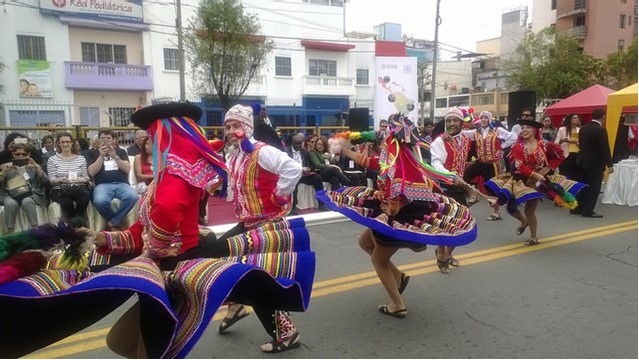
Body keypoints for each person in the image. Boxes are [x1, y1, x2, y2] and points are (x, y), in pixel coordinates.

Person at [0, 102, 315, 359]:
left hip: (173, 272)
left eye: (153, 135)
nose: (148, 141)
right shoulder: (163, 179)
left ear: (167, 136)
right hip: (161, 267)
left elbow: (166, 215)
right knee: (122, 342)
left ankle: (267, 322)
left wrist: (150, 254)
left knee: (142, 347)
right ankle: (238, 307)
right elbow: (138, 232)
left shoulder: (178, 177)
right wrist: (98, 238)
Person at [316, 114, 477, 318]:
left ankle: (397, 304)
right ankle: (399, 278)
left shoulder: (401, 167)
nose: (384, 135)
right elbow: (371, 162)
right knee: (365, 243)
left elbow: (396, 194)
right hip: (389, 210)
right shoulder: (395, 157)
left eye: (387, 131)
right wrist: (344, 150)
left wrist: (388, 212)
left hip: (396, 216)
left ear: (394, 137)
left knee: (378, 260)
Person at [216, 104, 310, 353]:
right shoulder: (235, 155)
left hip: (268, 225)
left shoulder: (262, 151)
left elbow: (293, 169)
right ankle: (235, 304)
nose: (231, 131)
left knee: (257, 281)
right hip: (248, 223)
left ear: (247, 127)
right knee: (217, 254)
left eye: (236, 126)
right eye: (227, 127)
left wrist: (280, 196)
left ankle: (287, 333)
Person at [486, 118, 585, 245]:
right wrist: (536, 175)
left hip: (537, 183)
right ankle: (524, 222)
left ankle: (533, 237)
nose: (524, 130)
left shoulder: (544, 144)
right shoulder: (517, 146)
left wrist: (549, 167)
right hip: (520, 180)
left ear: (534, 130)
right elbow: (520, 166)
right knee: (510, 208)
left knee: (529, 210)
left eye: (527, 127)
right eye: (522, 128)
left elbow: (560, 154)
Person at [429, 107, 473, 273]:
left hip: (459, 186)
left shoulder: (465, 138)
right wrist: (452, 175)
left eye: (455, 120)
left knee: (461, 223)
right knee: (444, 223)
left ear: (462, 123)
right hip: (444, 187)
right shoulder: (439, 142)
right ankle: (441, 252)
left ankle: (448, 253)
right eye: (449, 121)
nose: (452, 124)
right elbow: (436, 164)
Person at [462, 111, 517, 221]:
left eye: (485, 118)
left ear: (489, 120)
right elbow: (462, 133)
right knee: (465, 176)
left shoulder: (497, 130)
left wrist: (502, 146)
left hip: (492, 164)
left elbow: (513, 137)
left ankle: (496, 212)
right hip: (480, 161)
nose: (483, 120)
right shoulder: (476, 133)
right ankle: (474, 194)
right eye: (481, 118)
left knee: (491, 189)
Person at [85, 128, 138, 230]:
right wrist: (101, 156)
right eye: (102, 138)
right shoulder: (93, 153)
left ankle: (114, 222)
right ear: (99, 140)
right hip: (103, 185)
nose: (105, 140)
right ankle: (116, 221)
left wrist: (115, 156)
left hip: (122, 184)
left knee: (133, 197)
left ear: (114, 140)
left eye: (108, 138)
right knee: (99, 201)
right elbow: (91, 172)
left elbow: (127, 169)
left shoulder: (121, 151)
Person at [574, 108, 614, 218]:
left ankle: (578, 208)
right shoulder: (600, 130)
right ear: (603, 117)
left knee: (583, 185)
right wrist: (609, 164)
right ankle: (588, 210)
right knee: (594, 187)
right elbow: (604, 148)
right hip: (595, 163)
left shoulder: (583, 128)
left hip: (582, 160)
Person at [0, 142, 48, 233]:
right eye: (17, 154)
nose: (21, 156)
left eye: (24, 154)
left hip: (30, 193)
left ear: (29, 154)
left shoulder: (33, 165)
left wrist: (37, 167)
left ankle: (35, 230)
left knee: (27, 201)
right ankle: (10, 232)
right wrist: (4, 173)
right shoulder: (5, 166)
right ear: (13, 154)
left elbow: (46, 180)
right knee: (10, 204)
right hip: (10, 194)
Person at [46, 132, 92, 225]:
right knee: (67, 202)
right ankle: (76, 226)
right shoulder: (52, 160)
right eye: (62, 142)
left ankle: (73, 226)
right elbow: (51, 180)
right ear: (58, 144)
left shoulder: (81, 159)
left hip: (78, 188)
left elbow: (86, 177)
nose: (65, 144)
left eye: (67, 142)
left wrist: (82, 179)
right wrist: (60, 180)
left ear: (72, 143)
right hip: (60, 189)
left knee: (84, 200)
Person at [285, 133, 326, 214]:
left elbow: (310, 165)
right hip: (293, 175)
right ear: (292, 143)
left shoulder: (304, 152)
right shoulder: (286, 151)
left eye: (300, 144)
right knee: (293, 182)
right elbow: (286, 166)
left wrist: (308, 169)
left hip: (304, 175)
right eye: (296, 144)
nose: (298, 146)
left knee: (317, 177)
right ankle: (293, 206)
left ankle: (321, 203)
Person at [555, 113, 581, 180]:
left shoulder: (580, 130)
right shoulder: (562, 129)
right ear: (570, 120)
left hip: (577, 153)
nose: (576, 119)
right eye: (574, 118)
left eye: (577, 118)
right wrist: (563, 140)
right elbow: (556, 142)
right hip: (566, 154)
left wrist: (577, 142)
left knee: (575, 174)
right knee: (565, 174)